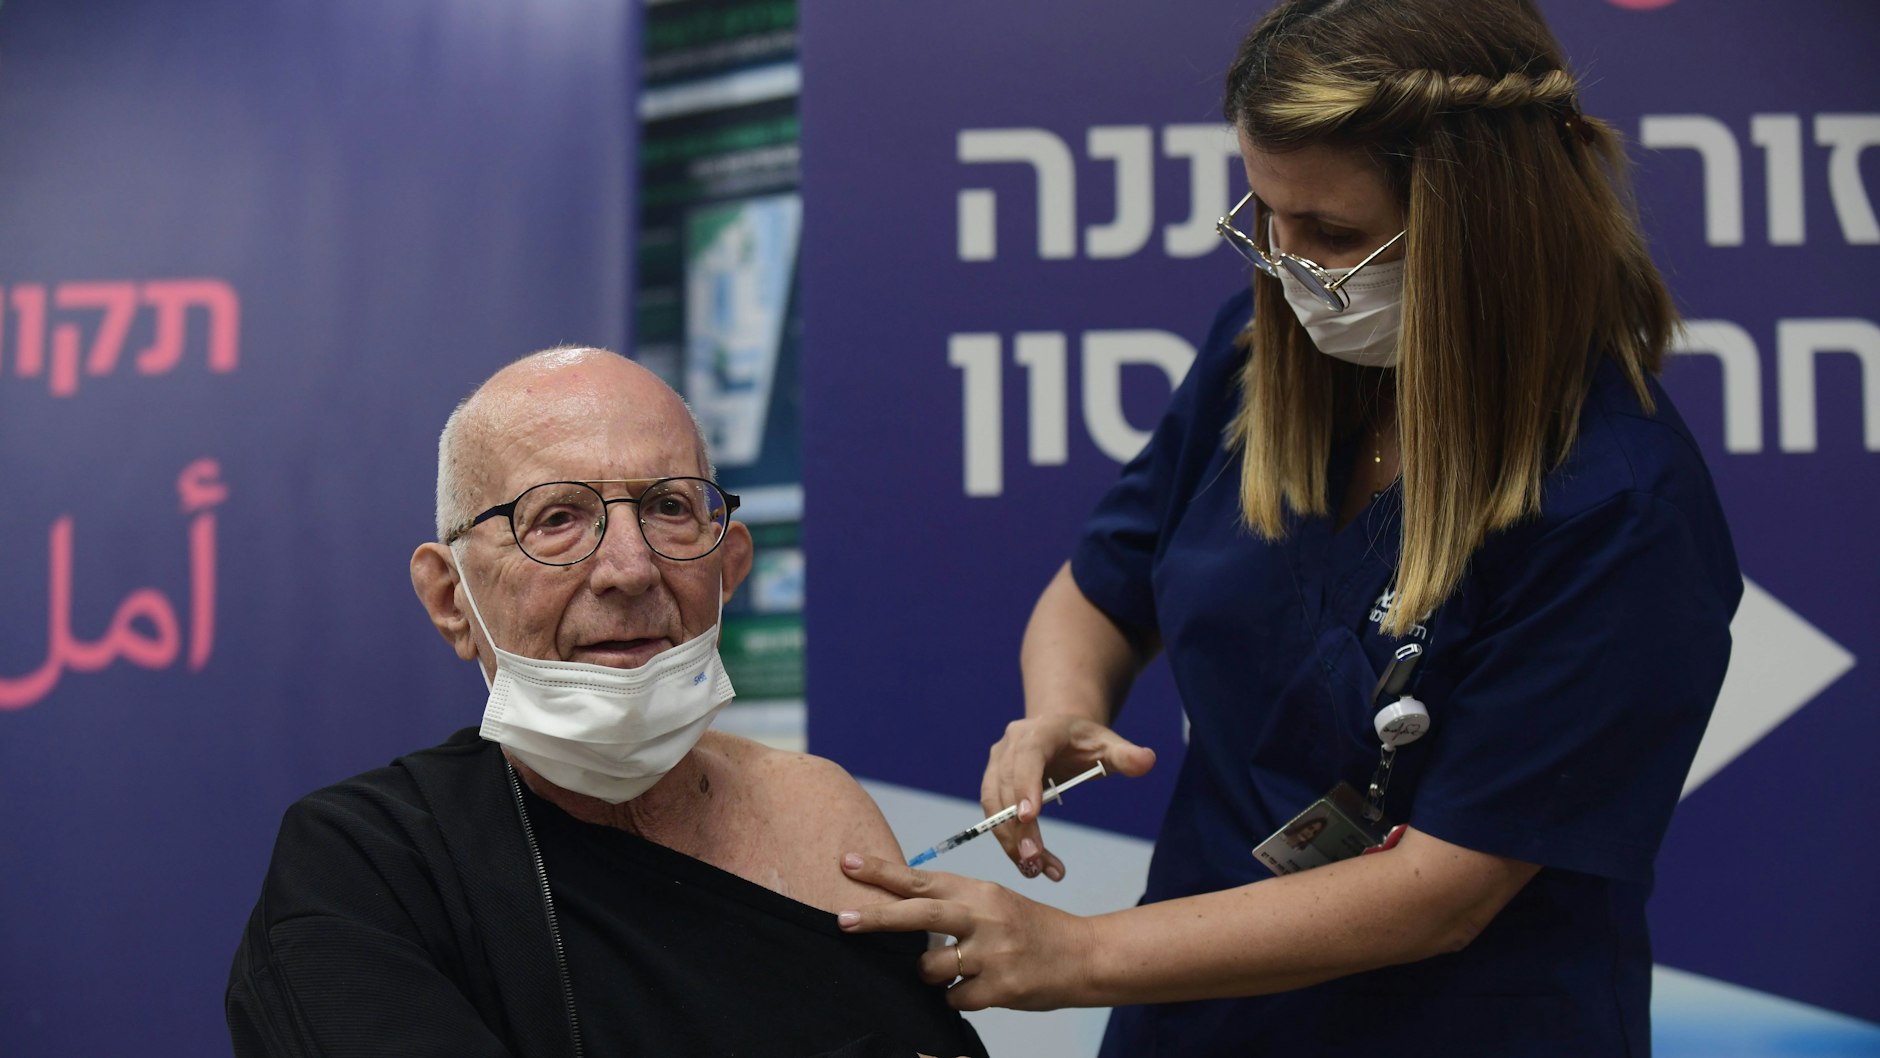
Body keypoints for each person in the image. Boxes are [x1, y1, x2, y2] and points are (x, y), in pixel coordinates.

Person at [832, 1, 1740, 1054]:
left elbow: (1440, 889)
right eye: (1265, 215)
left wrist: (1075, 952)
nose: (1287, 262)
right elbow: (1097, 589)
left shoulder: (1616, 506)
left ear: (1484, 225)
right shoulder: (1262, 359)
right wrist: (1060, 709)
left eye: (1333, 234)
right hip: (1194, 1016)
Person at [226, 348, 986, 1058]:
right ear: (450, 598)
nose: (630, 567)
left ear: (730, 569)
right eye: (556, 518)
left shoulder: (819, 812)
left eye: (669, 508)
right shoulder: (370, 864)